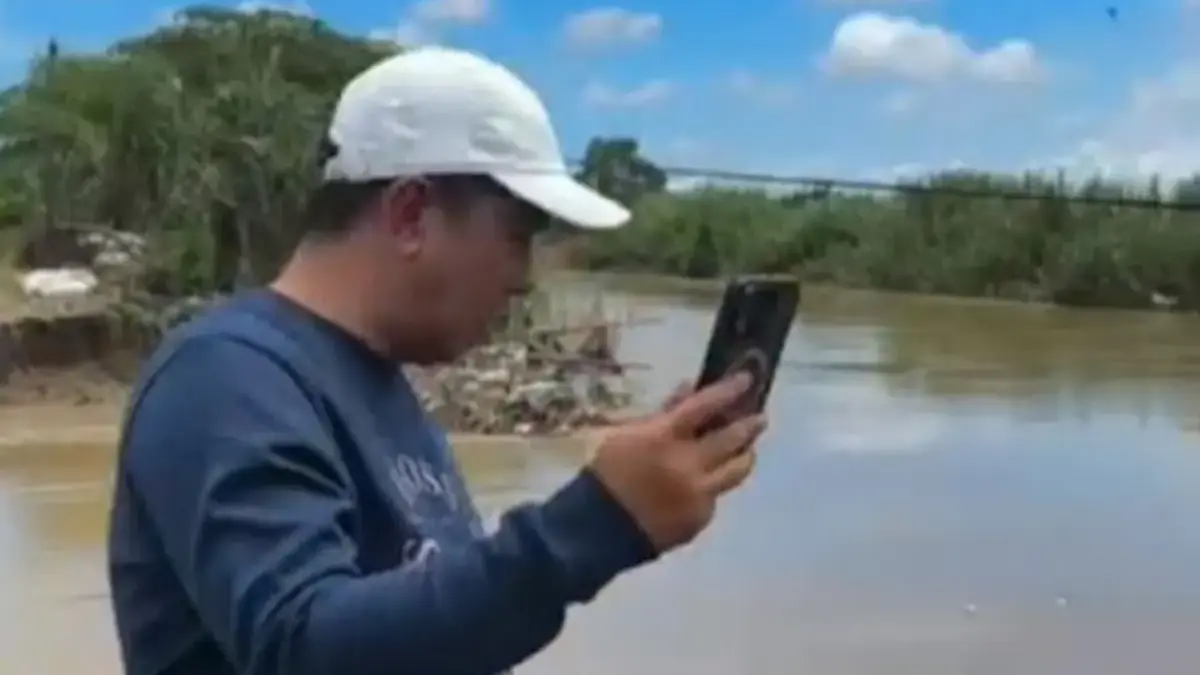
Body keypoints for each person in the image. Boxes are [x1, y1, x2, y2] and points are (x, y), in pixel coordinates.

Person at [106, 46, 767, 675]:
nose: (523, 278)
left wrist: (633, 489)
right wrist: (595, 522)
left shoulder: (380, 387)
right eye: (516, 237)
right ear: (411, 213)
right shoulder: (227, 377)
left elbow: (433, 631)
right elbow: (303, 644)